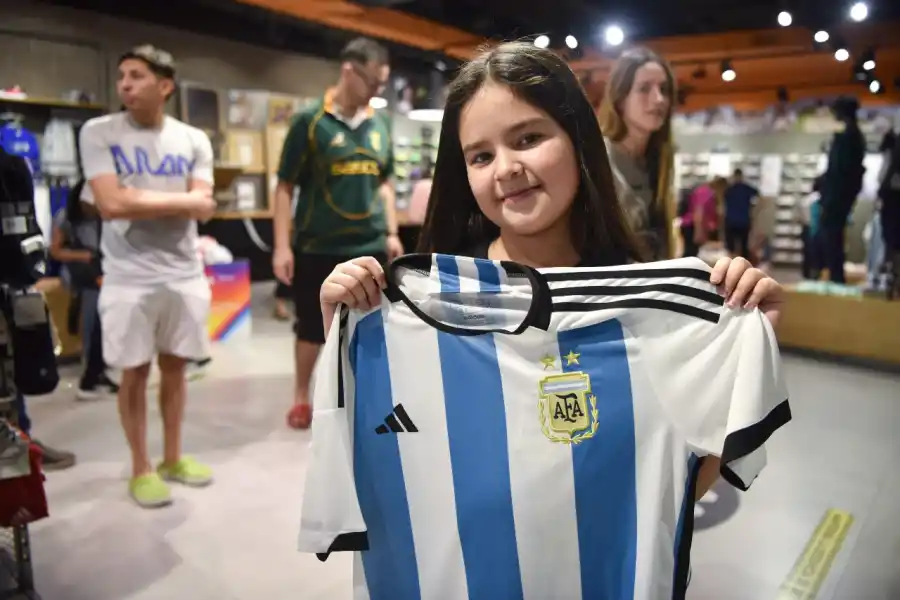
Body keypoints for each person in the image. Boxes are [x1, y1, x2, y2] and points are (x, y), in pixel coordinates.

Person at [313, 41, 786, 597]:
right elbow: (383, 455)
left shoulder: (645, 313)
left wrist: (754, 332)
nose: (507, 169)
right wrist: (349, 340)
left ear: (578, 140)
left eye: (528, 139)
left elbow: (673, 487)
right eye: (480, 155)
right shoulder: (424, 306)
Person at [78, 45, 217, 508]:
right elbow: (110, 204)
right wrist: (179, 203)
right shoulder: (98, 132)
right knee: (133, 372)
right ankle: (140, 466)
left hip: (183, 272)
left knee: (176, 368)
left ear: (165, 86)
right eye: (122, 76)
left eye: (137, 76)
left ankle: (173, 457)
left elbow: (205, 205)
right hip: (126, 276)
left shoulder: (193, 139)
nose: (125, 85)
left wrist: (132, 196)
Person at [271, 37, 402, 430]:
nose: (378, 93)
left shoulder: (379, 124)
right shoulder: (309, 122)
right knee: (311, 328)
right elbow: (284, 186)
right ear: (349, 70)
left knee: (369, 325)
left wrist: (392, 231)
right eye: (374, 84)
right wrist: (281, 246)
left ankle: (362, 398)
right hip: (317, 245)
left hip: (369, 245)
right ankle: (300, 395)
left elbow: (385, 181)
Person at [598, 47, 677, 260]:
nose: (659, 99)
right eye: (644, 89)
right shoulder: (598, 159)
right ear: (620, 98)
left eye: (664, 89)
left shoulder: (659, 161)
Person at [49, 178, 118, 400]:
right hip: (78, 271)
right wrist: (83, 256)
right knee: (93, 310)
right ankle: (91, 368)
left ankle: (99, 367)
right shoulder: (66, 218)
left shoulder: (102, 216)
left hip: (99, 269)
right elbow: (56, 251)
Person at [818, 96, 866, 284]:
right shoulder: (851, 135)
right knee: (832, 234)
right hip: (839, 193)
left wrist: (828, 191)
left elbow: (841, 170)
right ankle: (834, 275)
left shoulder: (848, 136)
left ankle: (836, 277)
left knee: (832, 234)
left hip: (837, 194)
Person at [682, 176, 726, 257]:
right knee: (691, 253)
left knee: (692, 252)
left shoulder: (706, 191)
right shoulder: (706, 193)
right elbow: (699, 212)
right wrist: (698, 232)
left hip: (694, 225)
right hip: (692, 225)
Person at [723, 168, 759, 257]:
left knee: (731, 246)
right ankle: (742, 265)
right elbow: (758, 197)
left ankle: (731, 265)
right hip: (743, 220)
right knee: (743, 246)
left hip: (731, 221)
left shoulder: (729, 189)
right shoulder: (747, 188)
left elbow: (722, 204)